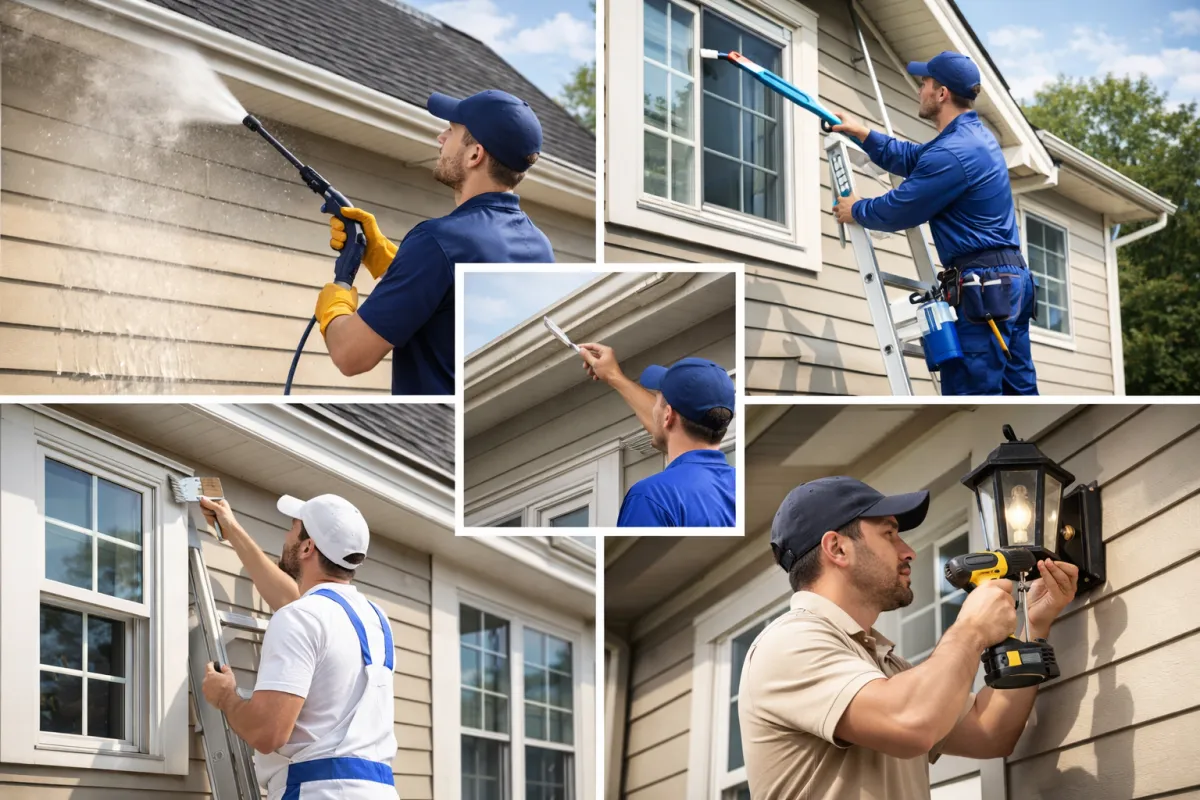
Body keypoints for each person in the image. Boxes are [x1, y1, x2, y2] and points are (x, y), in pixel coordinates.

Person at [738, 476, 1079, 799]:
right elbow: (910, 722)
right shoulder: (789, 642)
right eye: (890, 534)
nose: (908, 551)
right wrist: (971, 629)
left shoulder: (884, 665)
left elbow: (990, 732)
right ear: (837, 549)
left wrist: (1034, 623)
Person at [316, 89, 555, 395]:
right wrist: (383, 256)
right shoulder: (539, 247)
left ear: (475, 155)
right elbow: (451, 306)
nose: (441, 137)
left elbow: (350, 355)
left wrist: (335, 303)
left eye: (452, 131)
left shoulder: (439, 241)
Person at [831, 51, 1038, 396]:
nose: (920, 89)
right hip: (1009, 283)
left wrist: (857, 209)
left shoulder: (954, 152)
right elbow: (913, 158)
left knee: (971, 393)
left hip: (984, 288)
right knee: (1020, 393)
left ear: (942, 93)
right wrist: (863, 134)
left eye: (925, 83)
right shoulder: (973, 138)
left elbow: (902, 208)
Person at [199, 493, 398, 800]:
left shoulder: (301, 617)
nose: (285, 536)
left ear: (307, 547)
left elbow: (267, 733)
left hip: (318, 791)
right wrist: (233, 530)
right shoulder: (376, 619)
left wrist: (225, 696)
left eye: (292, 528)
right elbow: (296, 603)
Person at [578, 343, 736, 526]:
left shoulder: (651, 497)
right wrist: (613, 376)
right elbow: (670, 425)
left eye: (657, 400)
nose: (653, 409)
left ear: (668, 415)